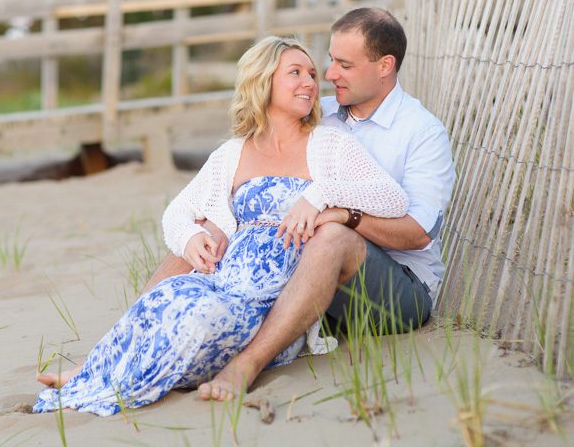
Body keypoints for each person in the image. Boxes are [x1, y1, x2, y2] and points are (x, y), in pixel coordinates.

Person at [32, 35, 409, 416]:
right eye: (295, 72)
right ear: (262, 82)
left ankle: (115, 375)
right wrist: (191, 235)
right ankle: (98, 364)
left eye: (312, 73)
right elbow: (178, 211)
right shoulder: (232, 153)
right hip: (221, 282)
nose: (311, 82)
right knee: (169, 300)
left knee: (193, 323)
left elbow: (392, 199)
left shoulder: (330, 145)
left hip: (268, 306)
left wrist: (321, 196)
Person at [193, 7, 456, 401]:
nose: (329, 74)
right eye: (331, 60)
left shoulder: (421, 133)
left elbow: (417, 235)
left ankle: (247, 364)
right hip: (308, 279)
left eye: (344, 65)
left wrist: (341, 215)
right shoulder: (320, 116)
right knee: (206, 229)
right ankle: (120, 349)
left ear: (384, 66)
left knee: (332, 235)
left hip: (397, 291)